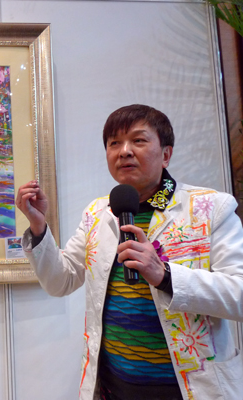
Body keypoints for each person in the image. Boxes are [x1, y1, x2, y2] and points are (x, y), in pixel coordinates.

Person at [16, 104, 243, 400]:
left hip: (191, 388)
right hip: (114, 386)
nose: (124, 151)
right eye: (114, 143)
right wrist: (38, 227)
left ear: (166, 154)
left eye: (138, 140)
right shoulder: (97, 213)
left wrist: (165, 276)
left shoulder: (210, 208)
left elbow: (239, 295)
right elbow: (61, 281)